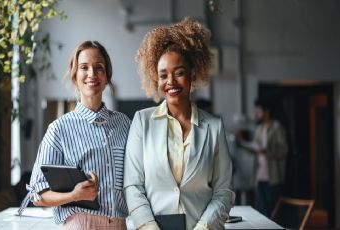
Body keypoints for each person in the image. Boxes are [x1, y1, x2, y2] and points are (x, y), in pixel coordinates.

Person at [123, 17, 235, 230]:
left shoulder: (214, 127)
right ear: (156, 80)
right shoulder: (142, 122)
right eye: (163, 75)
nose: (171, 82)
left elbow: (224, 191)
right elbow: (133, 186)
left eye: (179, 73)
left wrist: (203, 228)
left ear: (192, 74)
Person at [18, 41, 131, 229]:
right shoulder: (59, 129)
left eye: (99, 68)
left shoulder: (124, 124)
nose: (91, 74)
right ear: (75, 76)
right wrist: (74, 196)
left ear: (107, 76)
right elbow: (37, 195)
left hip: (120, 225)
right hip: (80, 224)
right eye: (84, 68)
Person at [236, 98, 288, 217]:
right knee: (260, 210)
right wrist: (242, 142)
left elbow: (283, 151)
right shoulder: (258, 129)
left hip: (273, 177)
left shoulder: (277, 127)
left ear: (266, 112)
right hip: (259, 177)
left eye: (258, 111)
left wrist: (267, 151)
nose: (256, 114)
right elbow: (255, 149)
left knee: (272, 212)